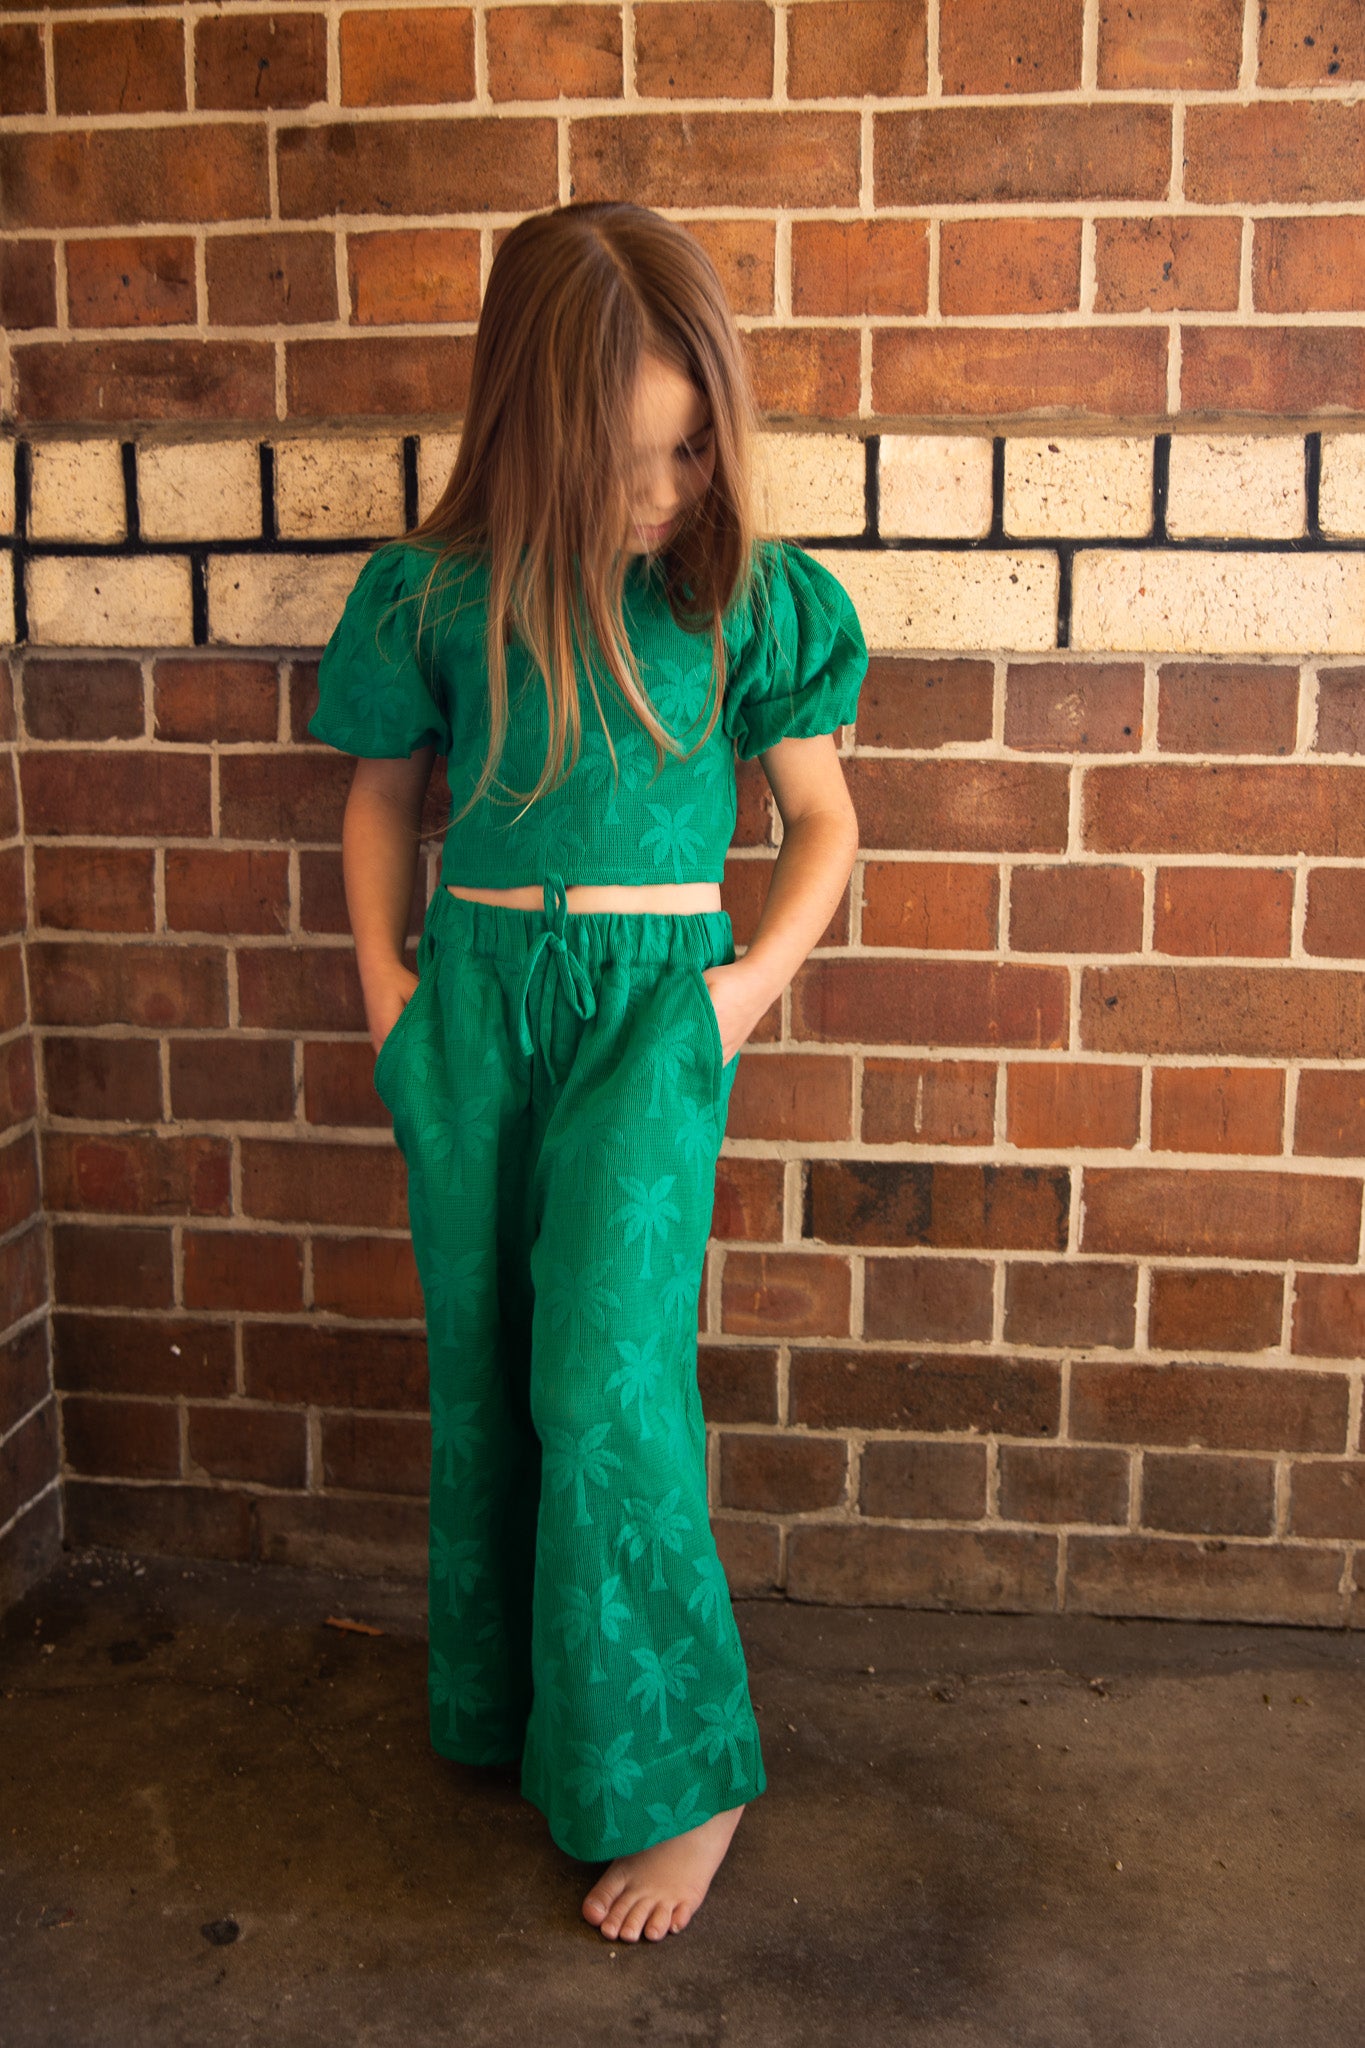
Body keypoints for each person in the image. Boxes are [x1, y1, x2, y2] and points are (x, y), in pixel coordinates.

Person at [308, 200, 868, 1944]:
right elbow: (383, 801)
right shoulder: (432, 594)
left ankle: (686, 1777)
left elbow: (823, 820)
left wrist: (737, 997)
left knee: (605, 1383)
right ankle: (531, 1712)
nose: (663, 494)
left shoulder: (744, 598)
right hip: (473, 1004)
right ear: (528, 433)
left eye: (689, 451)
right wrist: (391, 997)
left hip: (649, 1014)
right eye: (624, 464)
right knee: (485, 1361)